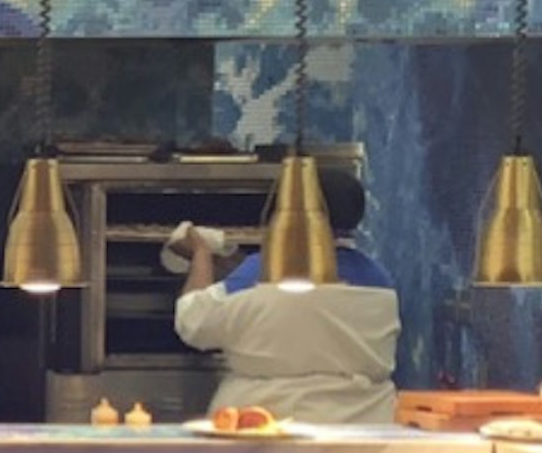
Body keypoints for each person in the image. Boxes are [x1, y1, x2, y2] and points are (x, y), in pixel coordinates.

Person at [171, 163, 399, 425]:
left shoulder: (258, 273)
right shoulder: (380, 282)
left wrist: (201, 254)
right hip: (365, 428)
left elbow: (193, 322)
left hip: (268, 431)